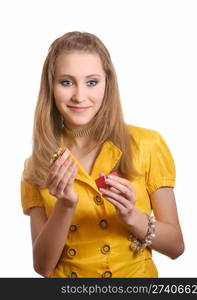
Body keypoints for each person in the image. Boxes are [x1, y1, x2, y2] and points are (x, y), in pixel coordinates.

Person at [20, 31, 184, 278]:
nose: (79, 96)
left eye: (92, 82)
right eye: (66, 82)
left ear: (108, 83)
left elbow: (176, 247)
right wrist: (65, 205)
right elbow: (42, 267)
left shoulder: (147, 144)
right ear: (51, 87)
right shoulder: (37, 164)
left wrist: (132, 216)